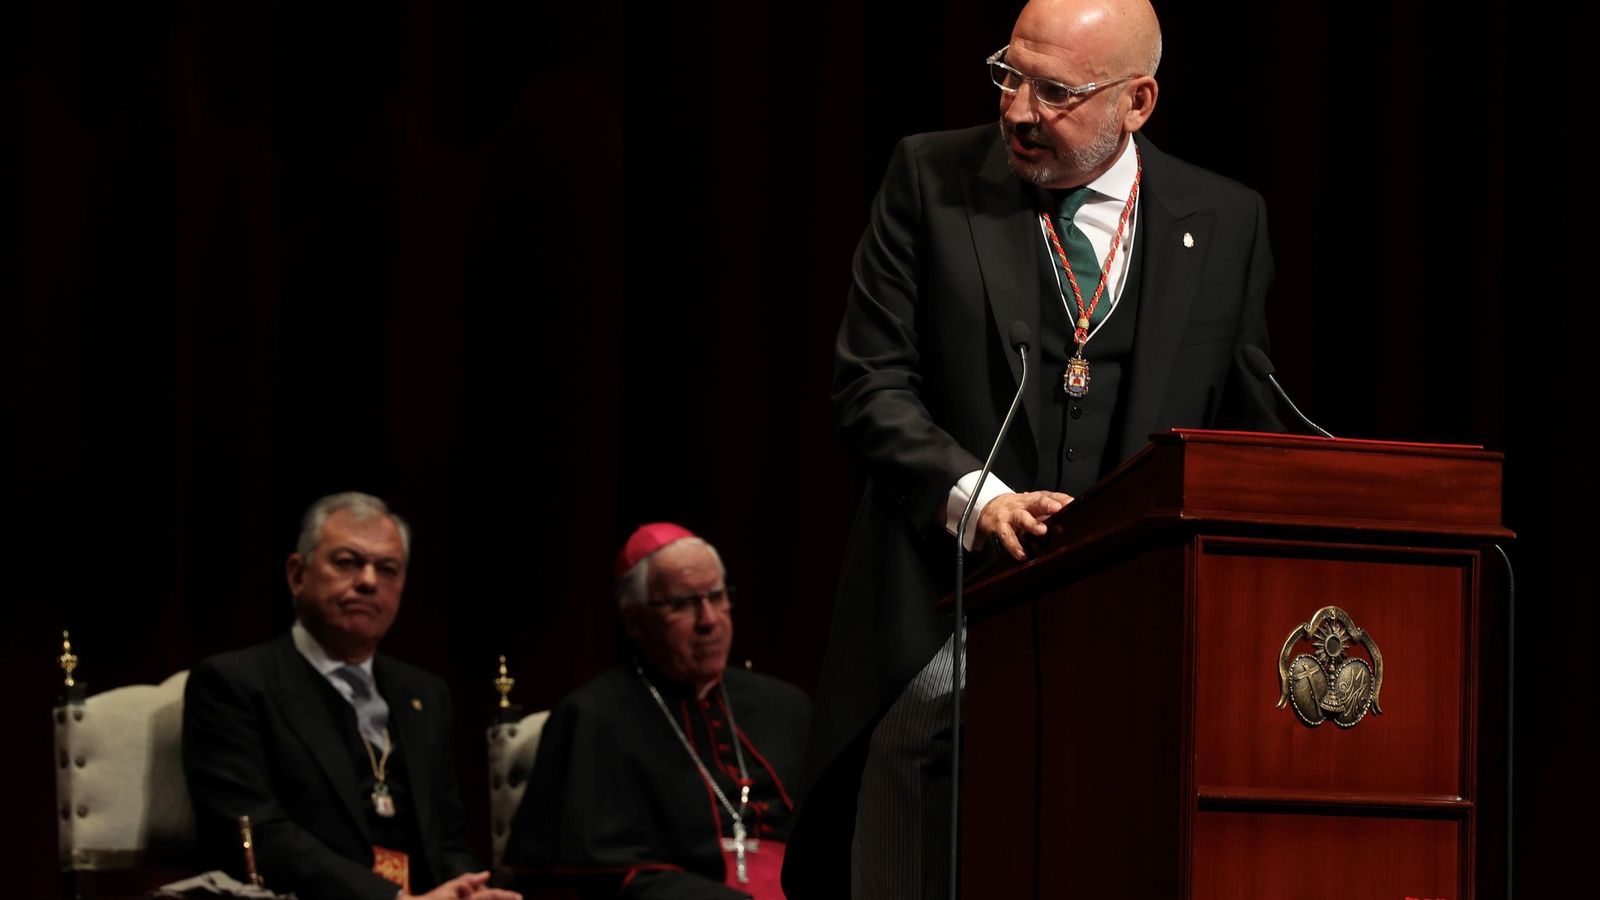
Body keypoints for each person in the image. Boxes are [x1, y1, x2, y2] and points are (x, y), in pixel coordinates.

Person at [783, 1, 1283, 898]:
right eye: (1009, 75)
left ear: (1137, 102)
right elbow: (870, 384)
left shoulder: (1227, 220)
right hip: (947, 593)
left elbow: (1248, 417)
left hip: (1130, 617)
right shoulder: (930, 177)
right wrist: (979, 501)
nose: (1018, 110)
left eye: (1055, 92)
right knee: (918, 744)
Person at [183, 492, 521, 900]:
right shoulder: (235, 684)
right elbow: (261, 834)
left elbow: (447, 834)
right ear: (297, 574)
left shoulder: (426, 694)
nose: (368, 581)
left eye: (388, 569)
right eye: (347, 562)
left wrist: (468, 889)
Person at [501, 523, 811, 900]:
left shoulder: (784, 706)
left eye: (716, 596)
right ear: (634, 620)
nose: (709, 620)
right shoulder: (593, 717)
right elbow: (591, 872)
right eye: (682, 604)